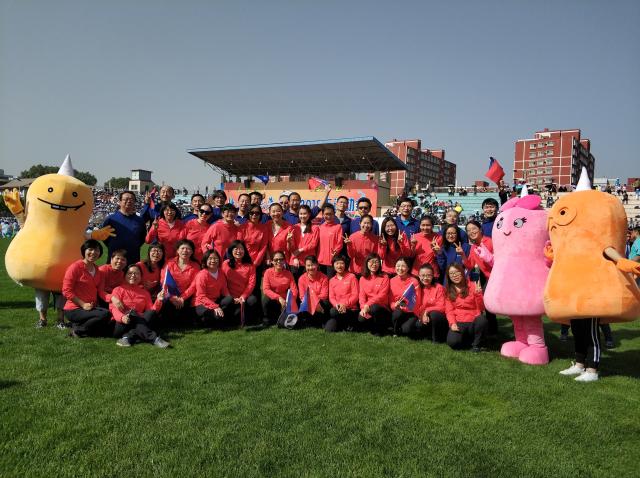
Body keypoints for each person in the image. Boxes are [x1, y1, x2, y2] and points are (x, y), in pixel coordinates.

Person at [110, 264, 170, 348]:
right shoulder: (118, 290)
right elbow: (113, 308)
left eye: (136, 273)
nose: (133, 275)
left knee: (149, 313)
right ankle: (154, 338)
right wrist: (122, 317)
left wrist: (159, 300)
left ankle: (127, 338)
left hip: (138, 321)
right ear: (125, 275)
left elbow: (151, 310)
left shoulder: (145, 293)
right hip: (121, 323)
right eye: (130, 273)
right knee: (133, 313)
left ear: (141, 277)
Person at [62, 239, 111, 338]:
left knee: (107, 319)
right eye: (90, 249)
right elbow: (66, 291)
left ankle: (78, 325)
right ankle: (78, 331)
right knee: (104, 315)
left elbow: (101, 291)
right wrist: (83, 304)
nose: (93, 252)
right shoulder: (75, 267)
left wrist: (113, 298)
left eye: (97, 250)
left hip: (90, 308)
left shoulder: (98, 271)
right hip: (74, 309)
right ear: (84, 251)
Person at [444, 263, 487, 352]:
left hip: (474, 320)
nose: (454, 275)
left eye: (457, 272)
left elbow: (482, 308)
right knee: (453, 343)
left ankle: (476, 345)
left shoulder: (473, 285)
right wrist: (452, 323)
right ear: (448, 276)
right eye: (451, 273)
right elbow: (449, 311)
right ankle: (468, 340)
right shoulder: (448, 290)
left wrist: (478, 295)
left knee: (482, 320)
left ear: (462, 272)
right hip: (459, 321)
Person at [463, 220, 496, 334]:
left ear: (480, 229)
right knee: (481, 301)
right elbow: (470, 265)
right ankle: (484, 328)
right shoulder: (473, 247)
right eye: (468, 230)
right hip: (483, 276)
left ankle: (492, 330)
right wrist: (462, 255)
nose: (471, 232)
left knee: (487, 303)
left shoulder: (490, 242)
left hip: (493, 277)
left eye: (474, 229)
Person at [159, 239, 200, 325]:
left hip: (186, 296)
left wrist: (182, 298)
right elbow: (163, 281)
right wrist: (172, 297)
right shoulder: (169, 263)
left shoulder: (196, 266)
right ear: (177, 251)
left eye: (188, 249)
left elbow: (194, 285)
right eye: (182, 248)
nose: (185, 251)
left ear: (192, 252)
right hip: (170, 295)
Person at [102, 190, 146, 264]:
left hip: (133, 260)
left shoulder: (140, 221)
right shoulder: (111, 219)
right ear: (119, 202)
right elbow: (104, 238)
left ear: (135, 202)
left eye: (131, 199)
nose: (129, 201)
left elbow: (142, 239)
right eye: (126, 199)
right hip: (115, 261)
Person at [221, 240, 259, 325]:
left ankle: (248, 320)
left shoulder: (250, 265)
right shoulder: (225, 264)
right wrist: (230, 296)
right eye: (236, 249)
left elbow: (251, 283)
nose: (238, 251)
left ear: (245, 251)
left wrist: (243, 296)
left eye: (241, 249)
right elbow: (222, 282)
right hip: (230, 295)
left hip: (244, 295)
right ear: (231, 251)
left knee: (253, 300)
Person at [194, 249, 233, 328]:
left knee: (229, 299)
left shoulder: (221, 272)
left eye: (215, 258)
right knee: (218, 317)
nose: (213, 261)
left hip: (215, 301)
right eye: (210, 258)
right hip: (202, 303)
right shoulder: (202, 275)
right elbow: (201, 296)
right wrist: (215, 307)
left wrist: (232, 298)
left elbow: (224, 290)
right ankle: (201, 320)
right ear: (205, 261)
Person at [238, 204, 270, 294]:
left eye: (257, 213)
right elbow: (239, 245)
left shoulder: (264, 228)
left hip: (257, 262)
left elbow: (264, 246)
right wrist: (243, 260)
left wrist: (256, 262)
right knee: (241, 286)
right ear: (248, 214)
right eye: (252, 213)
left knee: (255, 287)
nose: (254, 215)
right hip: (243, 261)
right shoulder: (242, 227)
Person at [261, 250, 297, 326]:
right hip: (273, 299)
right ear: (272, 262)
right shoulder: (267, 272)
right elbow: (266, 289)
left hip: (285, 302)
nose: (279, 261)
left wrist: (289, 301)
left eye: (281, 259)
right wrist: (279, 298)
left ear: (284, 261)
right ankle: (266, 319)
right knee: (265, 299)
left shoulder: (288, 274)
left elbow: (294, 290)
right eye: (276, 260)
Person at [358, 253, 391, 335]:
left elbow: (382, 295)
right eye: (371, 262)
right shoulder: (362, 278)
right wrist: (363, 307)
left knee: (374, 308)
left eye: (376, 262)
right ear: (367, 263)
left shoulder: (385, 277)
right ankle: (373, 327)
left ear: (380, 264)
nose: (374, 264)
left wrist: (367, 305)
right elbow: (362, 296)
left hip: (382, 307)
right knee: (361, 319)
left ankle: (380, 328)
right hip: (367, 307)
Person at [414, 264, 448, 343]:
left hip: (439, 317)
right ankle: (429, 334)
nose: (425, 278)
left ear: (433, 276)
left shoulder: (439, 288)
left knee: (434, 314)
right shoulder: (418, 288)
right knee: (418, 325)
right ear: (419, 276)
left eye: (429, 275)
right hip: (423, 315)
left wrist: (427, 311)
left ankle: (437, 339)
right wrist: (421, 315)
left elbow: (442, 307)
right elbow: (416, 306)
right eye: (423, 275)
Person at [388, 257, 421, 336]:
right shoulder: (391, 281)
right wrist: (394, 305)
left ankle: (400, 327)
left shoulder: (414, 281)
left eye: (403, 266)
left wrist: (406, 308)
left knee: (406, 330)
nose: (400, 268)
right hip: (398, 310)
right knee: (397, 313)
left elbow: (418, 300)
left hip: (411, 312)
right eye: (398, 266)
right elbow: (390, 300)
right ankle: (395, 330)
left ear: (408, 268)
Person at [327, 255, 359, 332]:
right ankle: (344, 325)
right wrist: (338, 305)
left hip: (350, 309)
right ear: (333, 265)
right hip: (337, 309)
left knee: (333, 312)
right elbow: (331, 297)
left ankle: (347, 324)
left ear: (345, 265)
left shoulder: (352, 277)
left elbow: (355, 295)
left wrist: (345, 305)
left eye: (342, 263)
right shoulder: (332, 280)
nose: (339, 266)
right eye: (337, 263)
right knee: (329, 329)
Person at [297, 255, 330, 328]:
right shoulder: (301, 279)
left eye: (312, 265)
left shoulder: (324, 277)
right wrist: (313, 301)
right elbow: (302, 296)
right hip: (308, 303)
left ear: (317, 265)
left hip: (320, 303)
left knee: (325, 302)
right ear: (305, 266)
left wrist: (315, 301)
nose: (310, 268)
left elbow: (324, 295)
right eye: (308, 265)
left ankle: (320, 321)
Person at [287, 204, 319, 280]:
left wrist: (300, 250)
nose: (302, 216)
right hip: (295, 261)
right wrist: (294, 257)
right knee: (294, 283)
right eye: (300, 214)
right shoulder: (294, 227)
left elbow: (313, 243)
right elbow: (292, 246)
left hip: (309, 262)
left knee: (308, 284)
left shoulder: (315, 228)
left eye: (305, 213)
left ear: (309, 214)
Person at [317, 203, 344, 279]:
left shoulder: (338, 227)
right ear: (322, 215)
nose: (328, 216)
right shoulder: (319, 228)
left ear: (334, 214)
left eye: (331, 214)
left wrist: (336, 251)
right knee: (321, 281)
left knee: (330, 281)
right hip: (320, 260)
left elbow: (340, 243)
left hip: (332, 261)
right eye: (326, 214)